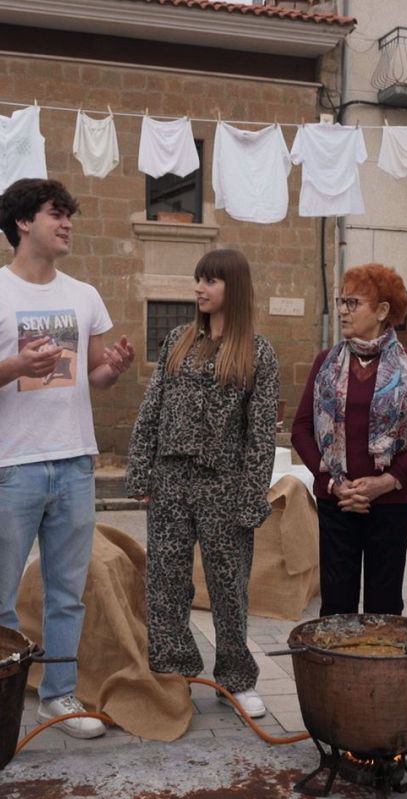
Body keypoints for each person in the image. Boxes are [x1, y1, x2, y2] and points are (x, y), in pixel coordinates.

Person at [0, 178, 135, 739]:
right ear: (24, 222)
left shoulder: (84, 295)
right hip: (9, 467)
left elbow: (94, 377)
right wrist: (14, 367)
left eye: (69, 215)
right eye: (57, 214)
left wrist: (114, 368)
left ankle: (58, 697)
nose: (67, 224)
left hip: (75, 463)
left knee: (67, 594)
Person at [124, 248, 279, 718]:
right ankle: (175, 675)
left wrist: (252, 497)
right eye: (198, 280)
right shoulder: (178, 339)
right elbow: (153, 407)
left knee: (228, 587)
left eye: (210, 281)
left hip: (224, 487)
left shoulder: (257, 352)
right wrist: (141, 468)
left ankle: (235, 679)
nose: (200, 289)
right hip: (170, 480)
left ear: (235, 287)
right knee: (166, 583)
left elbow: (260, 434)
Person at [290, 263, 407, 616]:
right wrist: (332, 483)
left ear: (383, 311)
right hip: (337, 503)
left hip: (391, 505)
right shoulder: (325, 363)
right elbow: (301, 429)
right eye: (342, 301)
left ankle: (382, 671)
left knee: (384, 606)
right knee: (336, 605)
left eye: (353, 302)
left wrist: (386, 482)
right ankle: (337, 671)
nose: (343, 310)